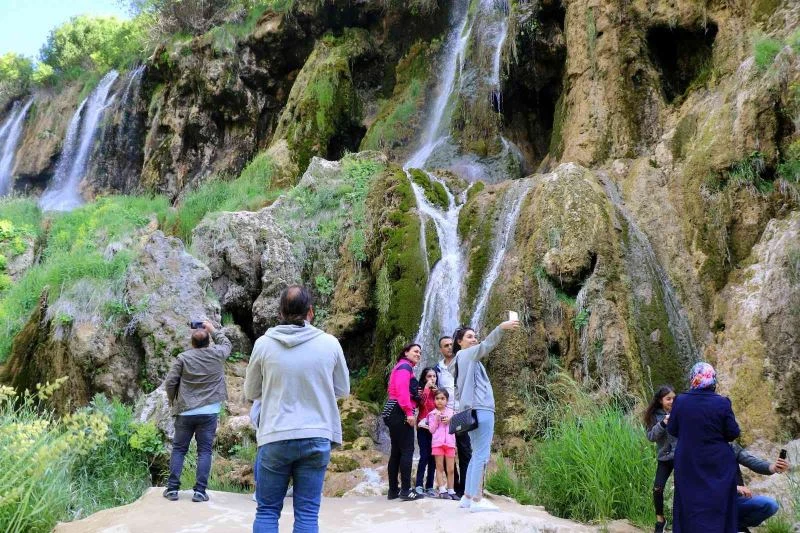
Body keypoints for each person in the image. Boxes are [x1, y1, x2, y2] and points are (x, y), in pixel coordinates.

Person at [244, 285, 350, 533]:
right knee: (307, 514)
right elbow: (343, 389)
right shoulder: (330, 343)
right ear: (310, 311)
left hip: (275, 435)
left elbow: (251, 392)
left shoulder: (263, 344)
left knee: (267, 510)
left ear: (280, 312)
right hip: (317, 435)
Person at [450, 319, 520, 513]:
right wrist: (500, 328)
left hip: (470, 411)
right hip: (481, 409)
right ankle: (477, 499)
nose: (474, 340)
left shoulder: (460, 362)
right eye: (469, 337)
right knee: (482, 454)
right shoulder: (467, 355)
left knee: (475, 454)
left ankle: (467, 496)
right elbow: (486, 345)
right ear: (459, 342)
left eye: (475, 336)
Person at [162, 320, 231, 503]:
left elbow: (170, 383)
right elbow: (227, 344)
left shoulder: (183, 358)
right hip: (209, 411)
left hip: (185, 411)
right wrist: (213, 329)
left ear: (192, 343)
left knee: (179, 449)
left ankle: (172, 490)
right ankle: (200, 492)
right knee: (205, 451)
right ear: (209, 342)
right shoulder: (218, 354)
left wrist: (173, 400)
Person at [667, 362, 741, 533]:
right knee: (719, 503)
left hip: (689, 461)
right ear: (713, 379)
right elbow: (732, 433)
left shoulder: (681, 401)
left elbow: (672, 429)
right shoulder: (722, 403)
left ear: (693, 378)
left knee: (689, 503)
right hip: (718, 464)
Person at [386, 343, 425, 501]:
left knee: (396, 451)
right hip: (399, 410)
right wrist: (409, 413)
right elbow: (402, 392)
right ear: (406, 352)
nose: (418, 354)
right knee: (407, 450)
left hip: (392, 410)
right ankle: (406, 490)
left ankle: (393, 490)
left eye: (420, 352)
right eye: (415, 351)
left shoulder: (401, 366)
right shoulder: (404, 367)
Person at [435, 335, 471, 497]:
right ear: (441, 349)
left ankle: (465, 487)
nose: (449, 347)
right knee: (448, 452)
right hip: (445, 417)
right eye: (445, 345)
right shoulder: (438, 368)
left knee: (464, 451)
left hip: (462, 413)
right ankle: (453, 487)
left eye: (451, 344)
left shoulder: (462, 360)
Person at [732, 443, 790, 532]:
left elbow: (752, 462)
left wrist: (774, 467)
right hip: (710, 506)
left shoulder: (730, 445)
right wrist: (733, 487)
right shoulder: (702, 450)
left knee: (770, 505)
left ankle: (737, 527)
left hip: (735, 502)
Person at [643, 385, 677, 533]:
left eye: (673, 399)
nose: (671, 401)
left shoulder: (680, 412)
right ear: (660, 400)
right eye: (668, 399)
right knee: (657, 489)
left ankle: (682, 521)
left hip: (681, 456)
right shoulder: (653, 416)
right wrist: (663, 423)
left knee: (683, 489)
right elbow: (651, 437)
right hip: (664, 457)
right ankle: (660, 520)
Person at [425, 389, 458, 499]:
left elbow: (456, 428)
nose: (440, 401)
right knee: (439, 467)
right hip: (437, 444)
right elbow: (432, 430)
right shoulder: (432, 414)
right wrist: (436, 419)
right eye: (437, 398)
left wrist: (450, 420)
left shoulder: (452, 413)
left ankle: (451, 490)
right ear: (434, 400)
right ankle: (442, 490)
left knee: (451, 468)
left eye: (442, 398)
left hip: (450, 443)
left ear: (447, 400)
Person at [414, 367, 438, 497]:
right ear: (424, 378)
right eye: (429, 376)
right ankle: (418, 485)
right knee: (424, 456)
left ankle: (429, 486)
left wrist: (436, 392)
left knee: (433, 458)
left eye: (434, 376)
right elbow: (420, 403)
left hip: (435, 429)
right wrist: (427, 389)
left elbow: (443, 406)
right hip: (423, 427)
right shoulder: (421, 390)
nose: (432, 379)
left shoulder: (438, 392)